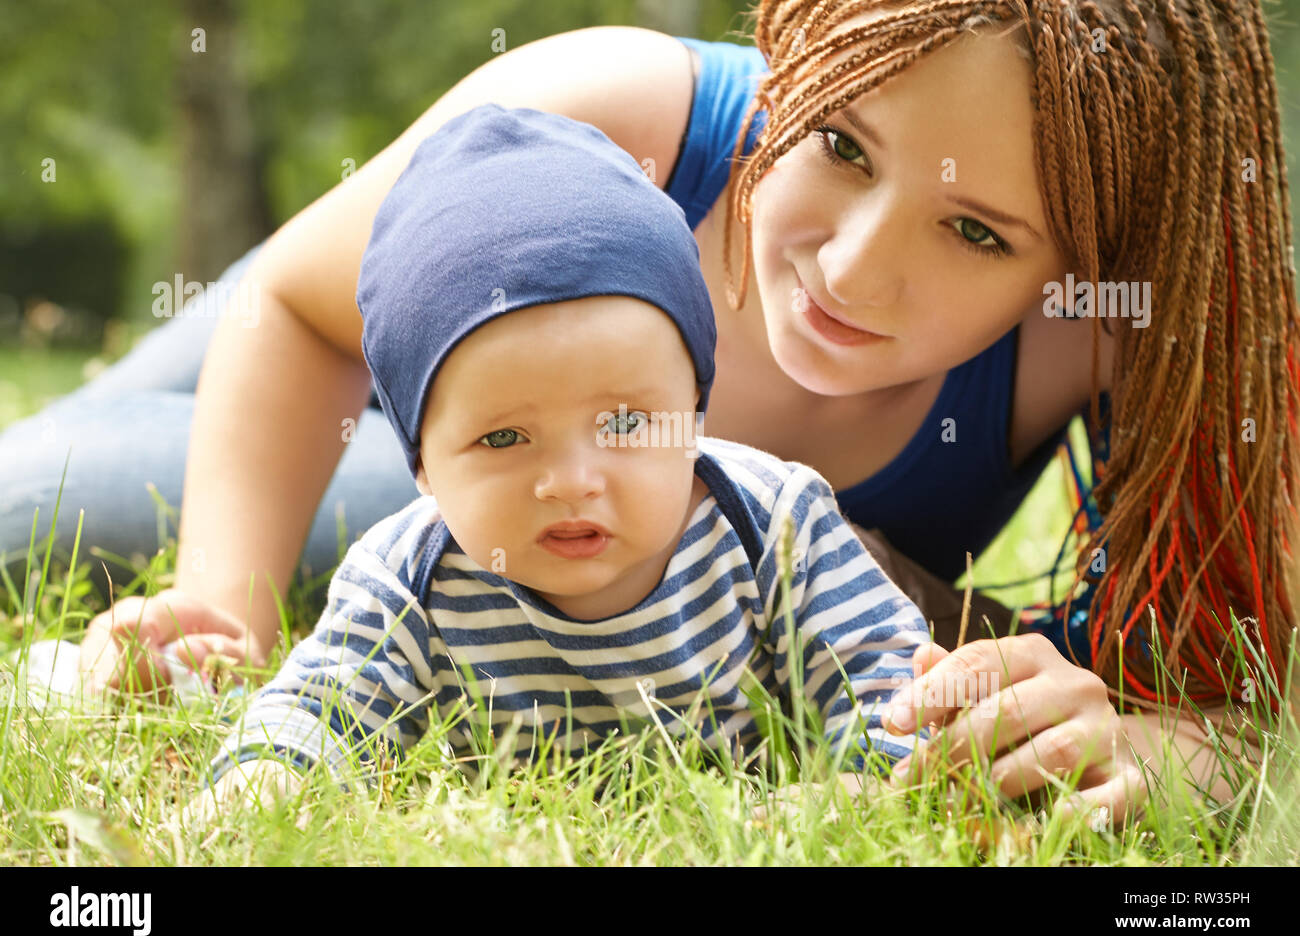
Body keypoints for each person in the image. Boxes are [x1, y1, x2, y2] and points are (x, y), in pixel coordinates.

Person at [5, 0, 1295, 820]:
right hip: (329, 329)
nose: (848, 270)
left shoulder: (1123, 325)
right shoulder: (621, 117)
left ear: (1072, 262)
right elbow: (291, 311)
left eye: (974, 229)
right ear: (794, 57)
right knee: (34, 496)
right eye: (840, 147)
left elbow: (1253, 708)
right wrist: (224, 605)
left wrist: (1157, 739)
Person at [204, 104, 930, 801]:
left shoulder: (772, 523)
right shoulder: (409, 578)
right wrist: (265, 782)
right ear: (424, 465)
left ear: (693, 415)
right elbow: (317, 706)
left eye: (624, 423)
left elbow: (887, 677)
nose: (572, 482)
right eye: (502, 438)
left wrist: (860, 786)